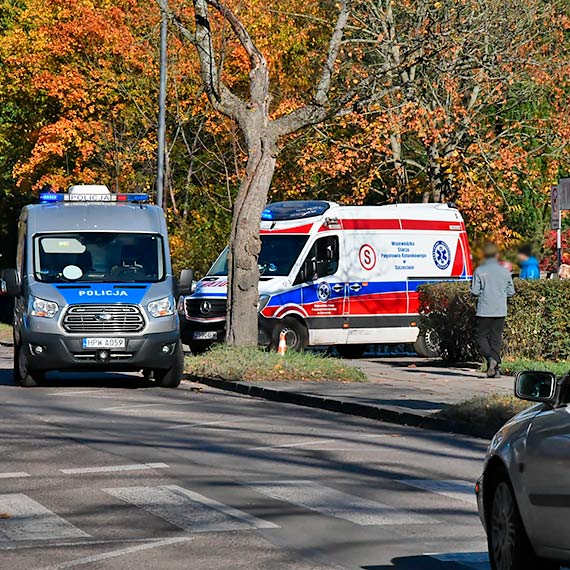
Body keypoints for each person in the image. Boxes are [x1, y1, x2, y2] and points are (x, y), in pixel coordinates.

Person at [471, 243, 516, 378]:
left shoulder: (479, 270)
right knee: (496, 338)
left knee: (481, 337)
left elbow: (474, 291)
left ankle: (491, 359)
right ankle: (495, 368)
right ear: (497, 256)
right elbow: (511, 291)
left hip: (484, 309)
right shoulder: (505, 271)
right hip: (500, 310)